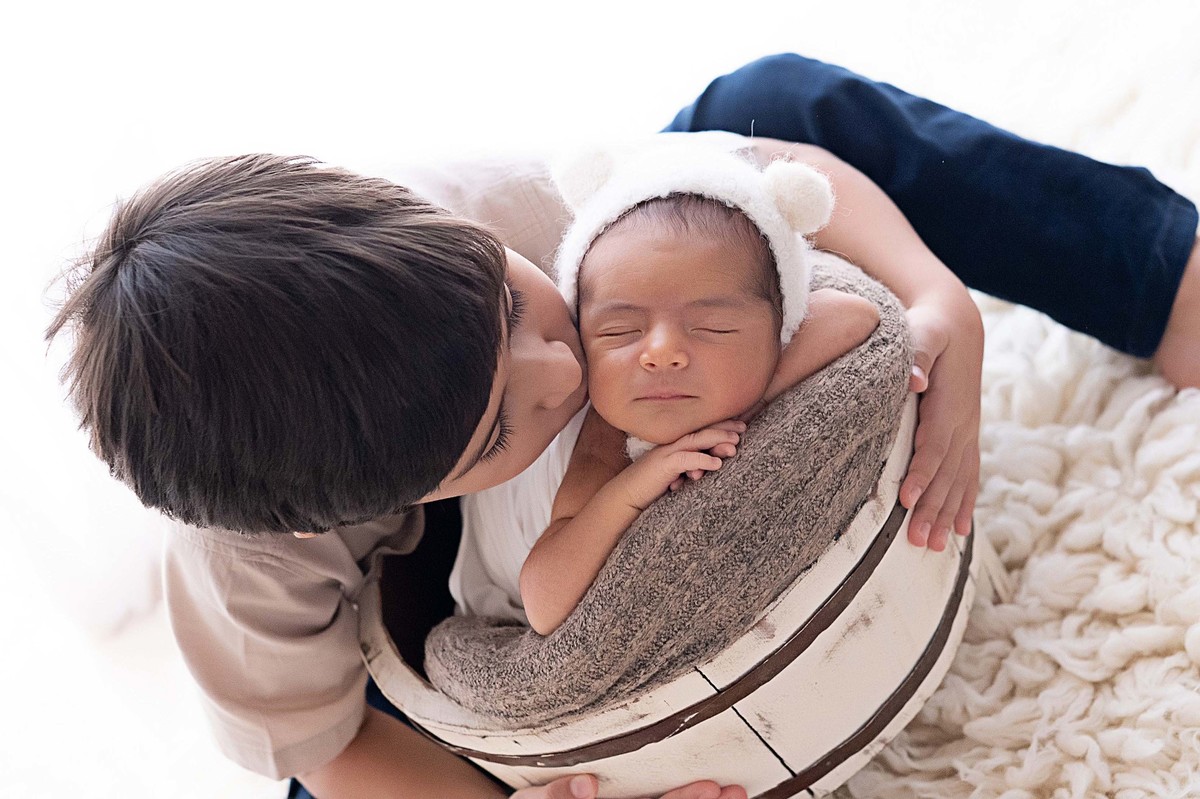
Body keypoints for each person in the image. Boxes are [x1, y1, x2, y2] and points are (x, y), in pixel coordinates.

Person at [45, 53, 1199, 799]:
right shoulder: (252, 558)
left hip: (626, 310)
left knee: (780, 99)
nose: (562, 372)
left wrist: (938, 300)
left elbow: (770, 169)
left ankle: (1167, 279)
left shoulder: (493, 216)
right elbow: (324, 741)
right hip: (450, 577)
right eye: (504, 422)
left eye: (515, 308)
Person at [450, 137, 881, 635]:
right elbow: (544, 602)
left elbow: (853, 313)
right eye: (620, 332)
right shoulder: (606, 433)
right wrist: (638, 482)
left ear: (779, 332)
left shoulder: (765, 350)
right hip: (492, 563)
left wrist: (742, 402)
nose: (659, 352)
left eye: (712, 327)